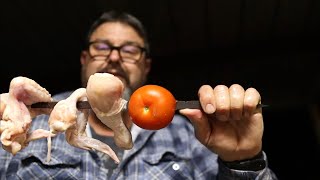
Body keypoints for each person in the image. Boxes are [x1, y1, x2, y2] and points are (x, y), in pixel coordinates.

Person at [0, 10, 278, 179]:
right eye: (102, 47)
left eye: (130, 50)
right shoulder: (25, 119)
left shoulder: (189, 138)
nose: (115, 58)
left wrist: (243, 162)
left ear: (145, 67)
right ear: (84, 59)